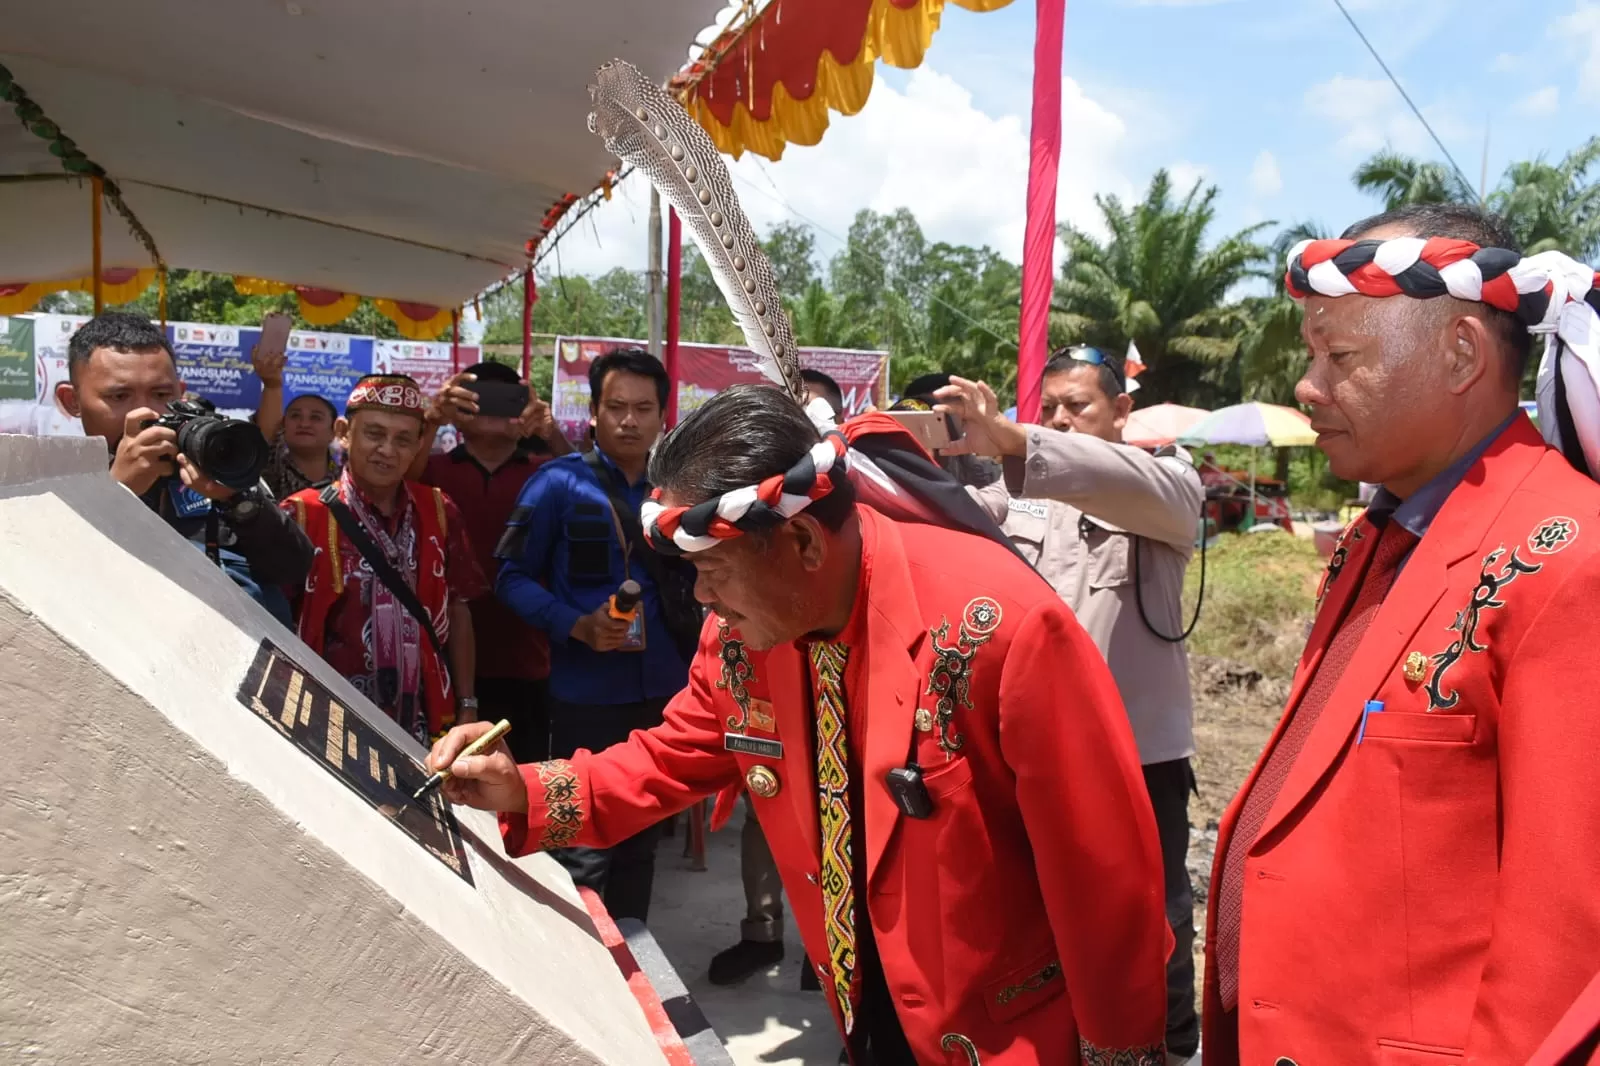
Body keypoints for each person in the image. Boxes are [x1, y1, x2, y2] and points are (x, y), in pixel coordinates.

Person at [434, 383, 1171, 1065]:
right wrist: (522, 790)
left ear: (805, 544)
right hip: (862, 1005)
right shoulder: (743, 638)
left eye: (715, 569)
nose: (702, 596)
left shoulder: (1000, 630)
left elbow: (1103, 880)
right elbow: (671, 757)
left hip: (1008, 1036)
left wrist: (1120, 1049)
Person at [1203, 203, 1600, 1064]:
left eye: (1339, 355)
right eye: (1313, 354)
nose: (1308, 386)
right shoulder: (1377, 535)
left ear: (1461, 353)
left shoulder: (1569, 560)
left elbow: (1565, 956)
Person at [935, 347, 1205, 1060]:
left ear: (1122, 412)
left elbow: (1121, 482)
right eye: (1047, 406)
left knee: (1154, 914)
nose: (1058, 419)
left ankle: (1170, 1044)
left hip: (1140, 751)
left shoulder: (1170, 486)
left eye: (1077, 406)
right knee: (1040, 908)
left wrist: (1021, 439)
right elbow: (946, 515)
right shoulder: (1022, 496)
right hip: (1041, 754)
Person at [494, 347, 696, 924]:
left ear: (664, 416)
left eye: (643, 408)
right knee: (579, 836)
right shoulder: (555, 484)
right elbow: (508, 577)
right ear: (594, 412)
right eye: (616, 407)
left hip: (666, 690)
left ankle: (635, 959)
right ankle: (579, 962)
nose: (629, 420)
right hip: (585, 693)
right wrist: (575, 625)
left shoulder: (682, 492)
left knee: (644, 834)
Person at [54, 311, 313, 621]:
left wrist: (239, 500)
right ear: (72, 401)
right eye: (119, 396)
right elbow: (55, 594)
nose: (145, 413)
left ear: (180, 391)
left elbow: (294, 568)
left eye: (161, 394)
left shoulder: (212, 458)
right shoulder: (53, 487)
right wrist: (118, 493)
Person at [282, 374, 486, 746]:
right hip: (328, 716)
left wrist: (468, 702)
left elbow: (458, 609)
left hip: (424, 721)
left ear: (419, 445)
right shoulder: (301, 514)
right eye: (374, 434)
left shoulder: (440, 511)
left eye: (403, 439)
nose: (387, 450)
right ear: (344, 433)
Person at [420, 361, 562, 763]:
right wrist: (432, 418)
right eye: (480, 398)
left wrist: (549, 431)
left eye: (509, 398)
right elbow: (397, 484)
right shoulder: (433, 468)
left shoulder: (547, 472)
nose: (496, 410)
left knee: (524, 779)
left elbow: (591, 489)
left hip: (528, 656)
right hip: (443, 660)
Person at [251, 344, 341, 499]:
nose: (304, 424)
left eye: (316, 417)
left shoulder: (346, 480)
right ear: (283, 425)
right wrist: (272, 384)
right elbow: (266, 438)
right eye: (295, 416)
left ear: (334, 430)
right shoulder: (271, 468)